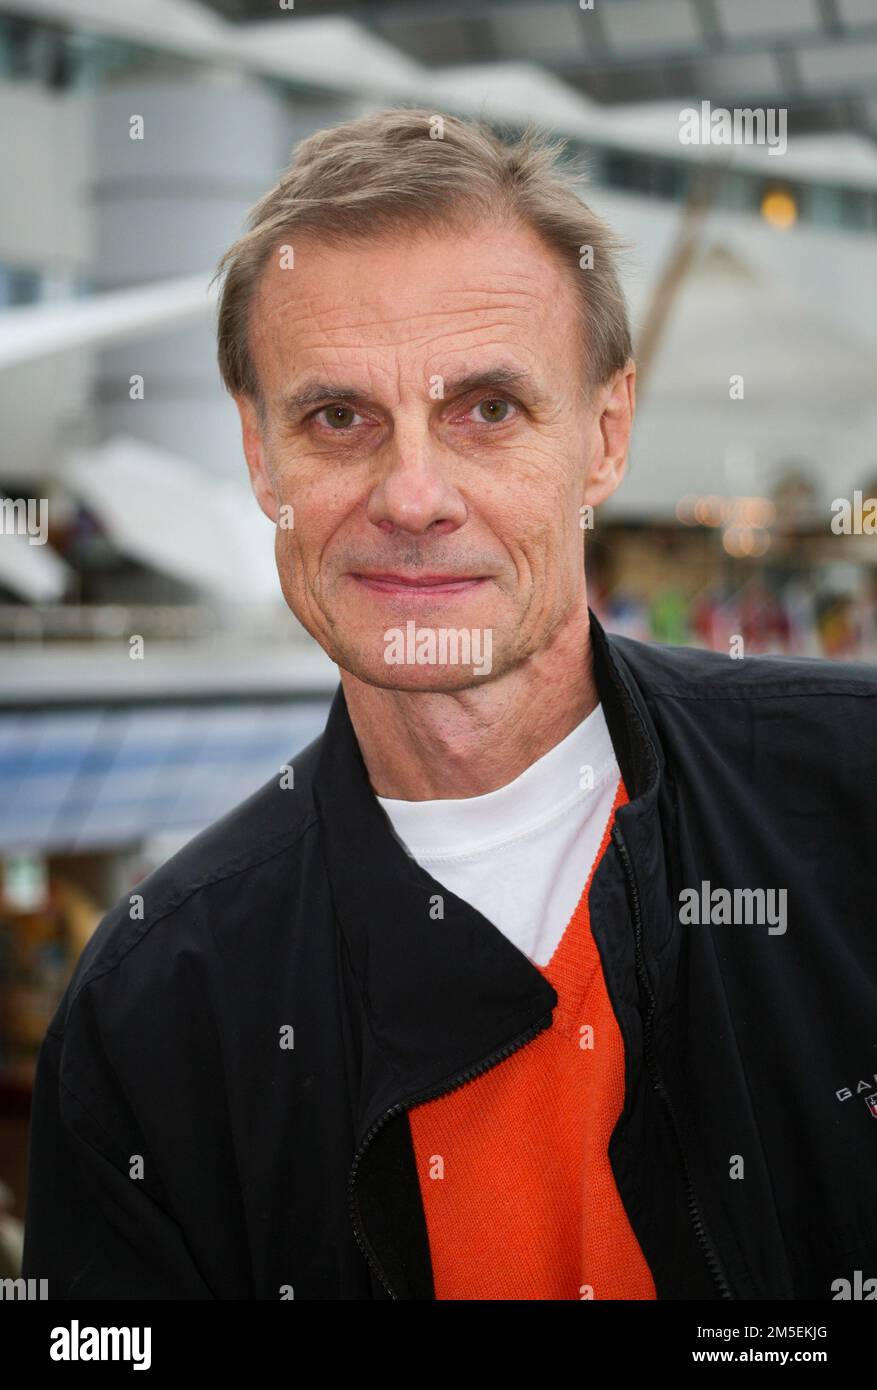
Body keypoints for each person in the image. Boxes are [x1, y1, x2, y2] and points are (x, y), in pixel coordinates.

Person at [22, 108, 877, 1301]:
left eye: (486, 409)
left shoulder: (851, 805)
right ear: (260, 455)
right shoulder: (156, 1011)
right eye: (338, 418)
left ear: (604, 433)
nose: (413, 495)